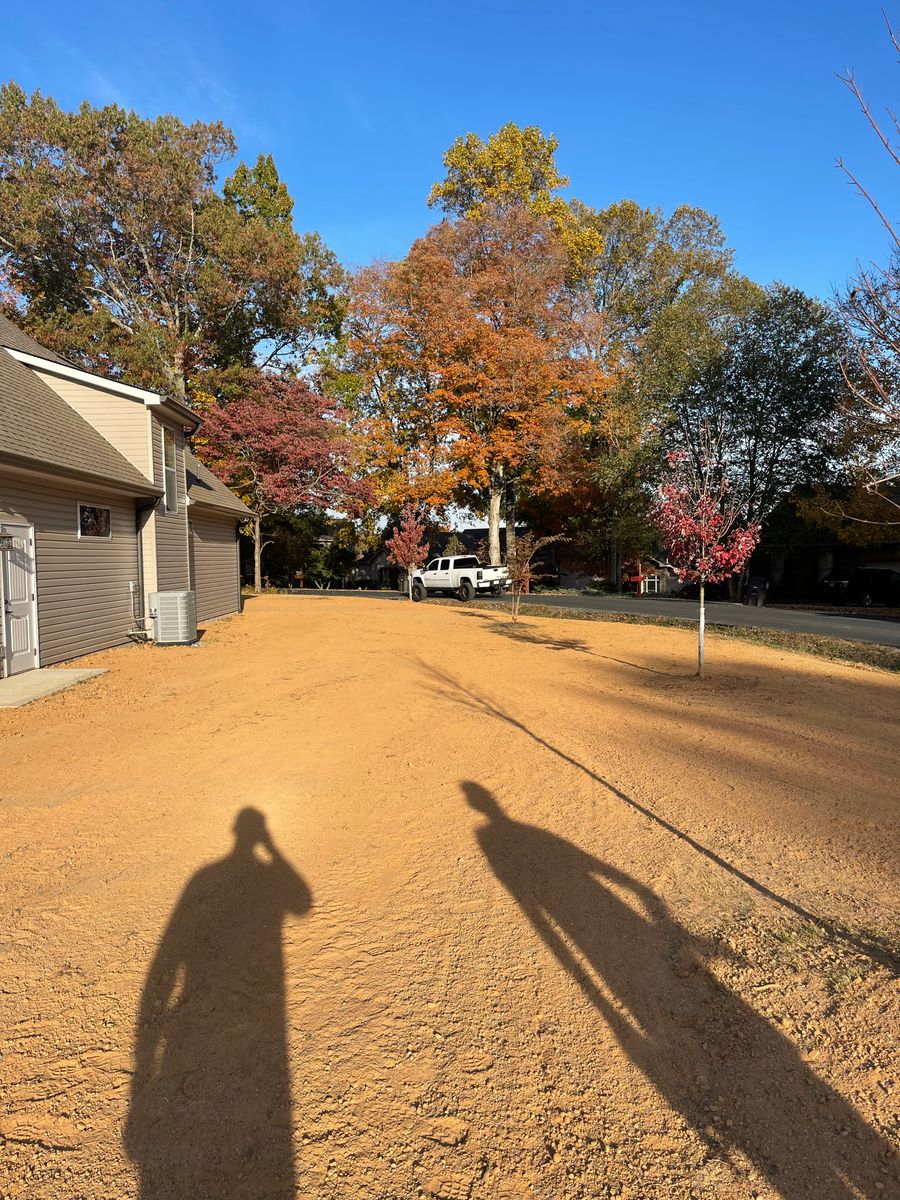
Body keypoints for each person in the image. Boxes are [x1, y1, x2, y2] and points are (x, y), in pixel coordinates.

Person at [125, 807, 312, 1200]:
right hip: (257, 1016)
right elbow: (302, 903)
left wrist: (147, 1056)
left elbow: (167, 956)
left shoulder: (204, 877)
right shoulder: (254, 874)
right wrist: (276, 851)